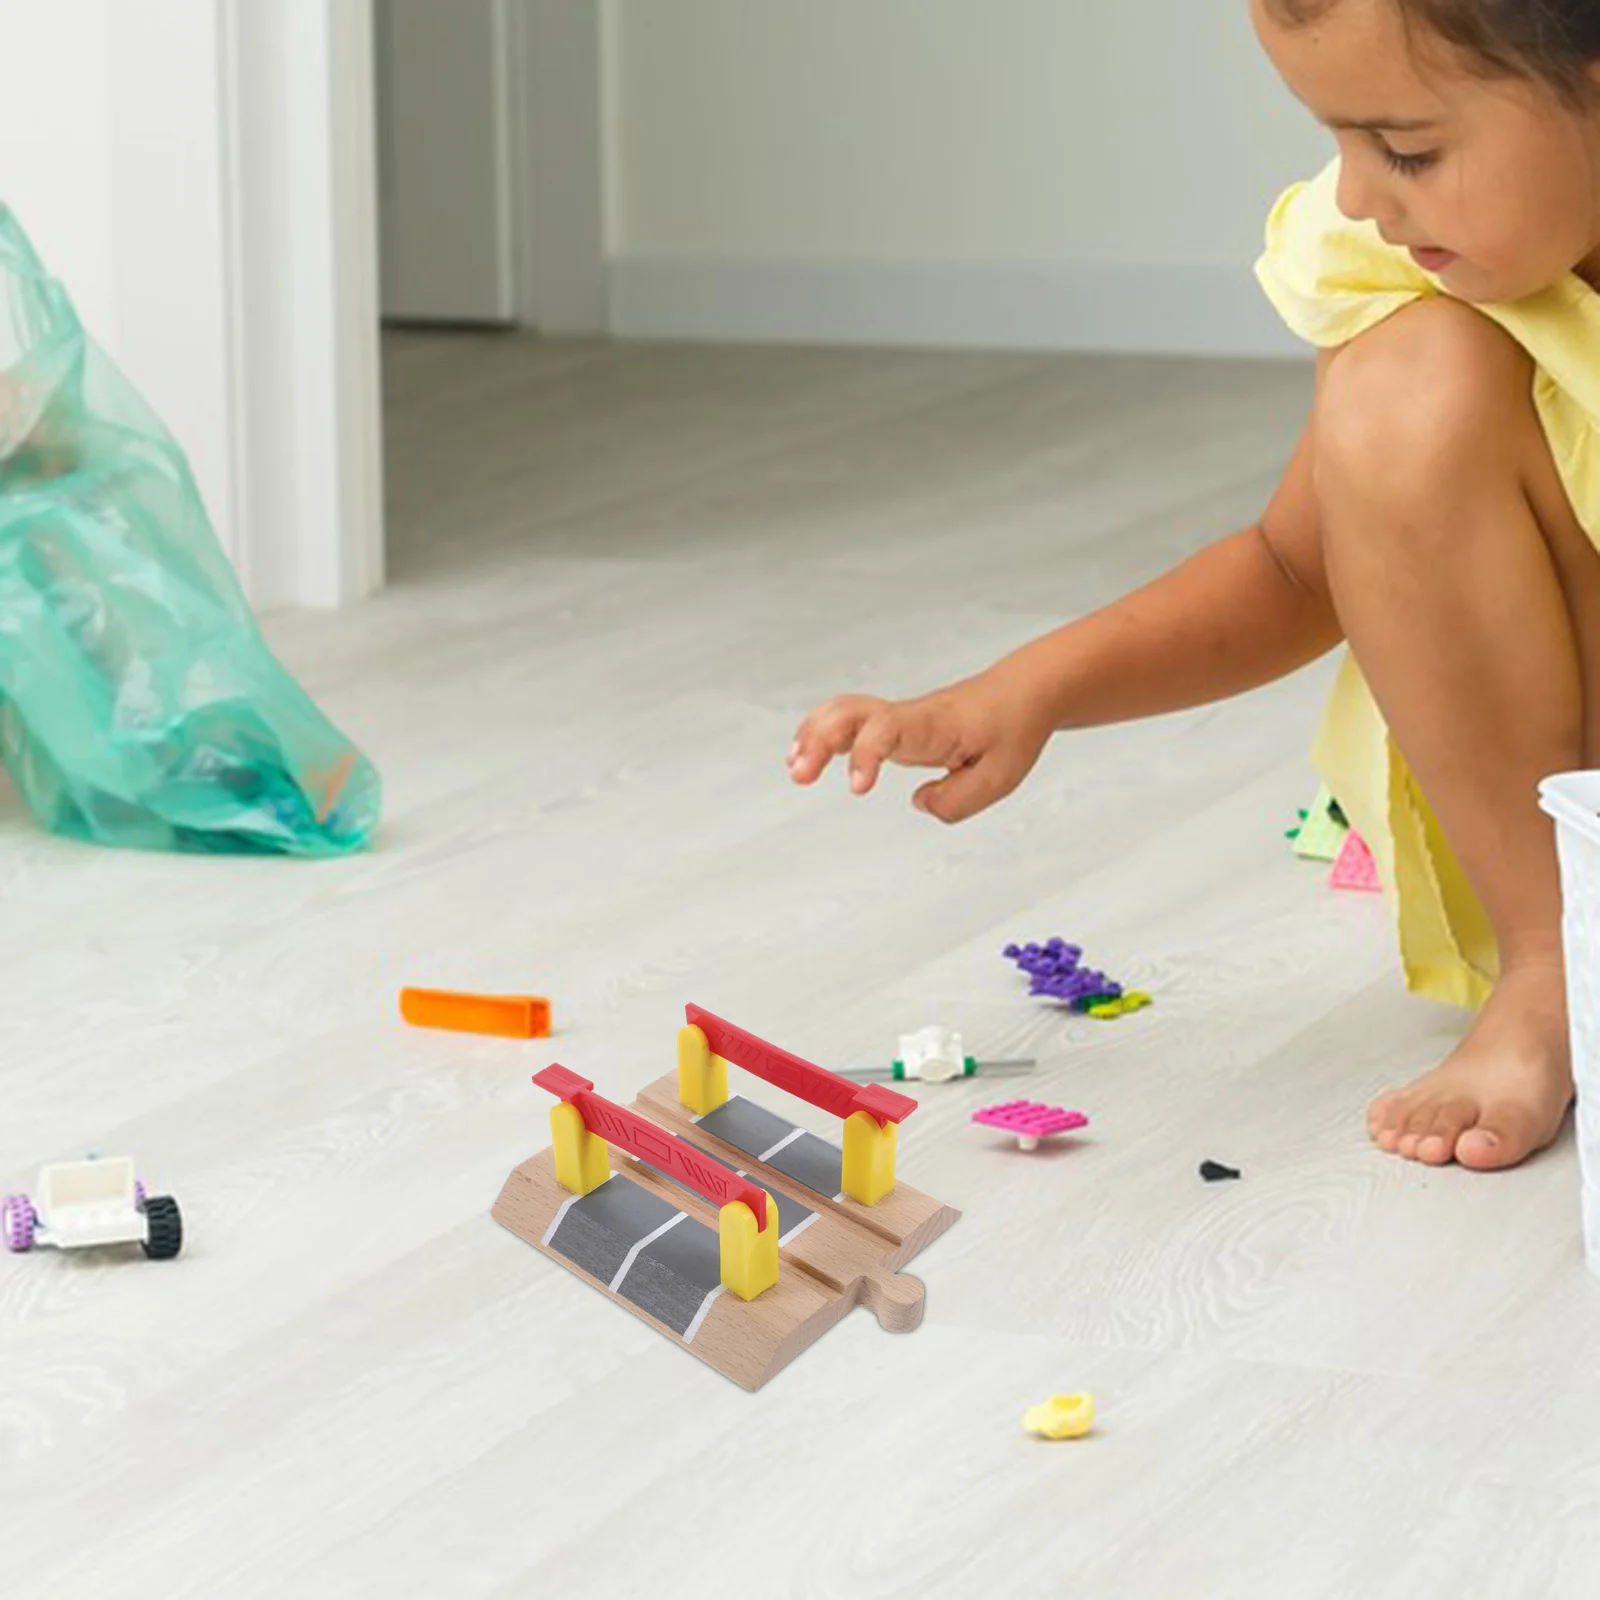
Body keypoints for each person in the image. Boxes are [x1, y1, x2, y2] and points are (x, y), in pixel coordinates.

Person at [789, 0, 1600, 1172]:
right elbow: (1289, 567)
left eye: (1410, 151)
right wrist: (1027, 691)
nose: (1365, 197)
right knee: (1396, 392)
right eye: (1341, 143)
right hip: (1567, 824)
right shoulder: (1409, 265)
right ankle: (1555, 960)